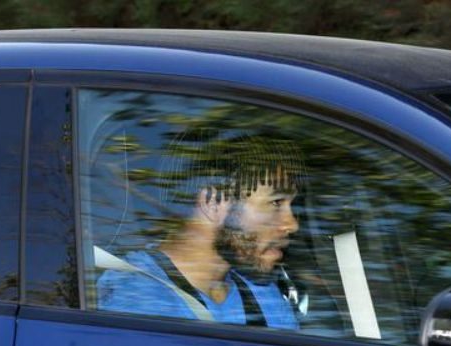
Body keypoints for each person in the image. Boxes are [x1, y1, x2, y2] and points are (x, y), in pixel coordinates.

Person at [96, 130, 306, 329]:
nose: (291, 224)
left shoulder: (264, 296)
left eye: (290, 205)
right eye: (276, 203)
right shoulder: (137, 297)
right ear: (213, 203)